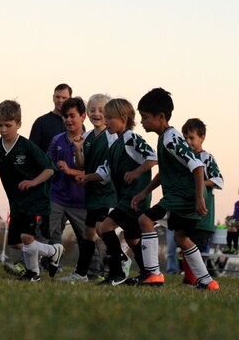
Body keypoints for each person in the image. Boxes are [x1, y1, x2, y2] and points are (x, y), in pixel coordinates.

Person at [131, 88, 219, 291]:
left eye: (145, 117)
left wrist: (199, 198)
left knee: (145, 220)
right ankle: (208, 281)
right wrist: (144, 192)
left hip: (184, 195)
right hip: (181, 195)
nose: (142, 122)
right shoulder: (165, 138)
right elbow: (164, 172)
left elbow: (197, 166)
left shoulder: (171, 139)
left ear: (161, 117)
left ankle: (153, 274)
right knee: (181, 238)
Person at [0, 99, 63, 282]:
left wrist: (33, 182)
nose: (3, 129)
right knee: (16, 242)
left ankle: (33, 273)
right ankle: (53, 251)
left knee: (27, 237)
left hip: (36, 198)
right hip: (17, 202)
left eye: (8, 125)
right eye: (0, 125)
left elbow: (50, 169)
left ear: (18, 124)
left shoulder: (27, 146)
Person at [84, 97, 157, 286]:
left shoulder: (131, 139)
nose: (106, 121)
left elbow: (152, 158)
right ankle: (148, 274)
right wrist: (87, 177)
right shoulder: (115, 143)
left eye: (110, 118)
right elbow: (105, 171)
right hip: (125, 199)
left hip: (134, 199)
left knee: (105, 227)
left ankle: (117, 271)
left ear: (124, 118)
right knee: (133, 239)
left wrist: (136, 172)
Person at [61, 94, 116, 282]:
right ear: (87, 113)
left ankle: (118, 263)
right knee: (89, 232)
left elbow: (108, 170)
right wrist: (77, 149)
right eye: (93, 109)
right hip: (91, 192)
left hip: (106, 192)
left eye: (101, 110)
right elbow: (81, 165)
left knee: (102, 229)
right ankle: (82, 273)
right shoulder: (87, 136)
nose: (97, 113)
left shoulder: (111, 136)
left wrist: (87, 177)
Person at [44, 97, 95, 281]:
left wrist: (70, 170)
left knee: (87, 239)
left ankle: (94, 272)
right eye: (65, 116)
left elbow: (93, 172)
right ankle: (40, 267)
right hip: (57, 197)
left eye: (72, 116)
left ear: (83, 116)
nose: (68, 120)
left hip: (80, 201)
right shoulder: (57, 140)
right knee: (46, 232)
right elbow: (47, 164)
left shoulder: (91, 141)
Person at [181, 118, 223, 284]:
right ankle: (189, 278)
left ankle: (195, 279)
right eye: (185, 138)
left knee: (195, 246)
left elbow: (218, 179)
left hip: (202, 213)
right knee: (184, 243)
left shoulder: (206, 158)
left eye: (192, 138)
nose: (188, 142)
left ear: (202, 138)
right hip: (186, 209)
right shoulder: (184, 158)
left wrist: (200, 184)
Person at [29, 83, 73, 152]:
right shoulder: (41, 122)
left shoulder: (77, 124)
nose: (60, 100)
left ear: (70, 99)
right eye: (57, 97)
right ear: (53, 97)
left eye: (64, 98)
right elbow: (32, 151)